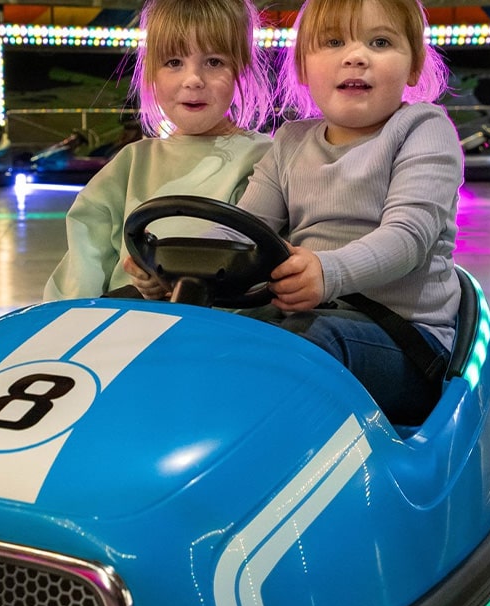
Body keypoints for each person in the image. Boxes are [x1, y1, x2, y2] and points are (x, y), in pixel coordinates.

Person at [127, 0, 462, 425]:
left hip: (403, 342)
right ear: (303, 67)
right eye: (334, 42)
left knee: (299, 346)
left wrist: (329, 273)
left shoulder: (422, 129)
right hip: (305, 322)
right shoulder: (289, 142)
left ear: (413, 67)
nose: (356, 56)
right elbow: (242, 236)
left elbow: (409, 237)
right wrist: (171, 274)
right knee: (199, 336)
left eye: (380, 42)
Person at [42, 0, 273, 300]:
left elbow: (279, 262)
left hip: (227, 330)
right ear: (152, 73)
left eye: (214, 62)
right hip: (131, 324)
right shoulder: (130, 164)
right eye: (174, 62)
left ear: (241, 69)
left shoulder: (269, 159)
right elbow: (82, 268)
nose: (193, 80)